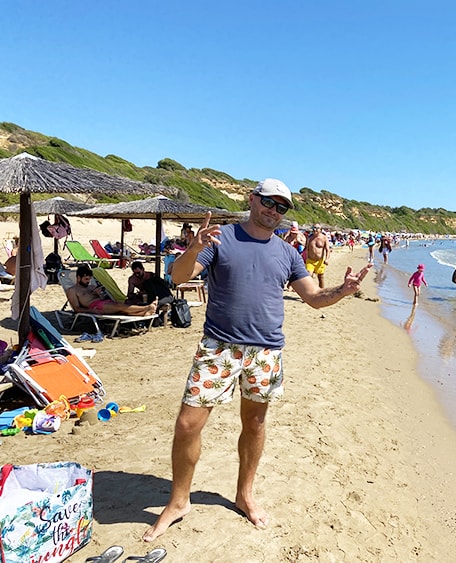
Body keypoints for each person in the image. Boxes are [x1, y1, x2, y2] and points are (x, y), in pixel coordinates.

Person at [142, 178, 371, 542]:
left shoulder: (288, 253)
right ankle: (178, 501)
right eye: (268, 202)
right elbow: (178, 276)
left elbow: (312, 298)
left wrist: (342, 291)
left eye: (281, 207)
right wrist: (191, 249)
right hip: (219, 346)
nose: (273, 211)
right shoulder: (221, 239)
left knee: (255, 424)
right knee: (187, 425)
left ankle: (244, 494)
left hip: (265, 350)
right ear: (252, 199)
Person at [67, 264, 158, 316]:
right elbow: (76, 309)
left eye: (89, 279)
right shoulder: (73, 290)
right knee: (119, 306)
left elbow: (103, 297)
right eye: (86, 279)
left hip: (103, 303)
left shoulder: (91, 287)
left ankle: (144, 313)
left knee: (122, 310)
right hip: (95, 307)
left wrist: (100, 294)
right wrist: (92, 311)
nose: (88, 282)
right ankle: (147, 308)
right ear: (78, 278)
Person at [304, 224, 330, 288]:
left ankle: (322, 292)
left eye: (317, 228)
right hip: (310, 261)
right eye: (313, 228)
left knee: (320, 277)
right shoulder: (310, 238)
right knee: (308, 275)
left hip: (319, 261)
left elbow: (327, 250)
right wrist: (306, 259)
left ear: (320, 230)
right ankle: (309, 292)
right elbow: (307, 249)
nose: (314, 229)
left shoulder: (324, 238)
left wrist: (327, 259)